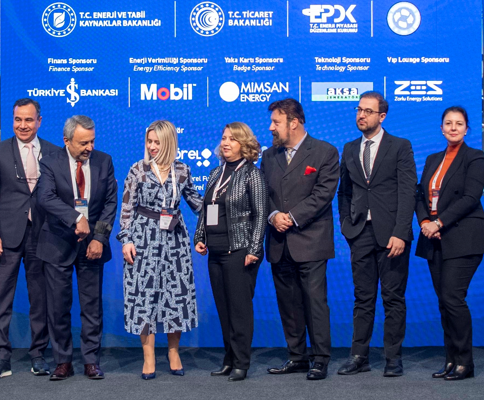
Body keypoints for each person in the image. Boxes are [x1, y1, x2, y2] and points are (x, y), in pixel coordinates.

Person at [337, 91, 417, 377]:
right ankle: (359, 356)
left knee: (393, 298)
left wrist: (401, 232)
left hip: (392, 235)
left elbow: (408, 192)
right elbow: (344, 192)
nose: (361, 115)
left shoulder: (400, 146)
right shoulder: (349, 148)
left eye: (368, 111)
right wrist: (346, 226)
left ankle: (393, 358)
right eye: (359, 110)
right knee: (363, 298)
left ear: (382, 116)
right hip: (360, 233)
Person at [0, 99, 60, 379]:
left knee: (41, 299)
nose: (22, 125)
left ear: (39, 121)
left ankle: (38, 354)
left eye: (28, 120)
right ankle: (0, 357)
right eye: (17, 119)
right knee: (0, 299)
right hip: (5, 237)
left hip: (43, 236)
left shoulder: (54, 152)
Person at [260, 98, 339, 381]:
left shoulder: (325, 152)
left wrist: (291, 217)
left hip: (311, 241)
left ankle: (320, 359)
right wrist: (273, 216)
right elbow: (262, 193)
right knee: (288, 303)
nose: (271, 128)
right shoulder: (269, 156)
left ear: (294, 123)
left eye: (276, 122)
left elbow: (323, 194)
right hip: (279, 241)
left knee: (314, 303)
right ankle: (297, 357)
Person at [415, 106, 484, 380]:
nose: (453, 128)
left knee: (452, 297)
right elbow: (420, 195)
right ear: (441, 128)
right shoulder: (433, 159)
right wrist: (425, 222)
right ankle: (450, 360)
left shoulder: (475, 157)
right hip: (434, 238)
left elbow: (470, 198)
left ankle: (465, 362)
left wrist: (439, 223)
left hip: (464, 238)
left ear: (467, 129)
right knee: (444, 302)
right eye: (448, 123)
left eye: (458, 124)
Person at [117, 120, 202, 380]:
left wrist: (223, 210)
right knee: (144, 297)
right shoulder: (137, 170)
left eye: (157, 142)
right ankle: (149, 356)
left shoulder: (182, 170)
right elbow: (127, 208)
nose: (152, 146)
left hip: (175, 240)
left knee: (176, 295)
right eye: (149, 141)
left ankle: (173, 352)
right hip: (143, 238)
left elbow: (197, 203)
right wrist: (126, 240)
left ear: (169, 143)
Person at [36, 115, 117, 381]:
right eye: (83, 143)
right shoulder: (50, 162)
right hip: (57, 243)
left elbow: (110, 203)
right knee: (58, 307)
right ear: (67, 141)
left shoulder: (104, 161)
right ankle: (63, 361)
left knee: (91, 307)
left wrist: (99, 238)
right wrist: (75, 218)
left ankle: (91, 361)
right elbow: (45, 197)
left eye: (92, 141)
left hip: (92, 245)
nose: (89, 147)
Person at [194, 122, 267, 382]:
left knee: (239, 310)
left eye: (232, 139)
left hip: (240, 250)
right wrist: (199, 236)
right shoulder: (216, 173)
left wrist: (254, 248)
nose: (225, 143)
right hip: (214, 251)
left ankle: (241, 363)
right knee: (224, 309)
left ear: (244, 144)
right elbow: (207, 209)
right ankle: (229, 359)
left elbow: (260, 214)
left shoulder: (251, 174)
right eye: (224, 138)